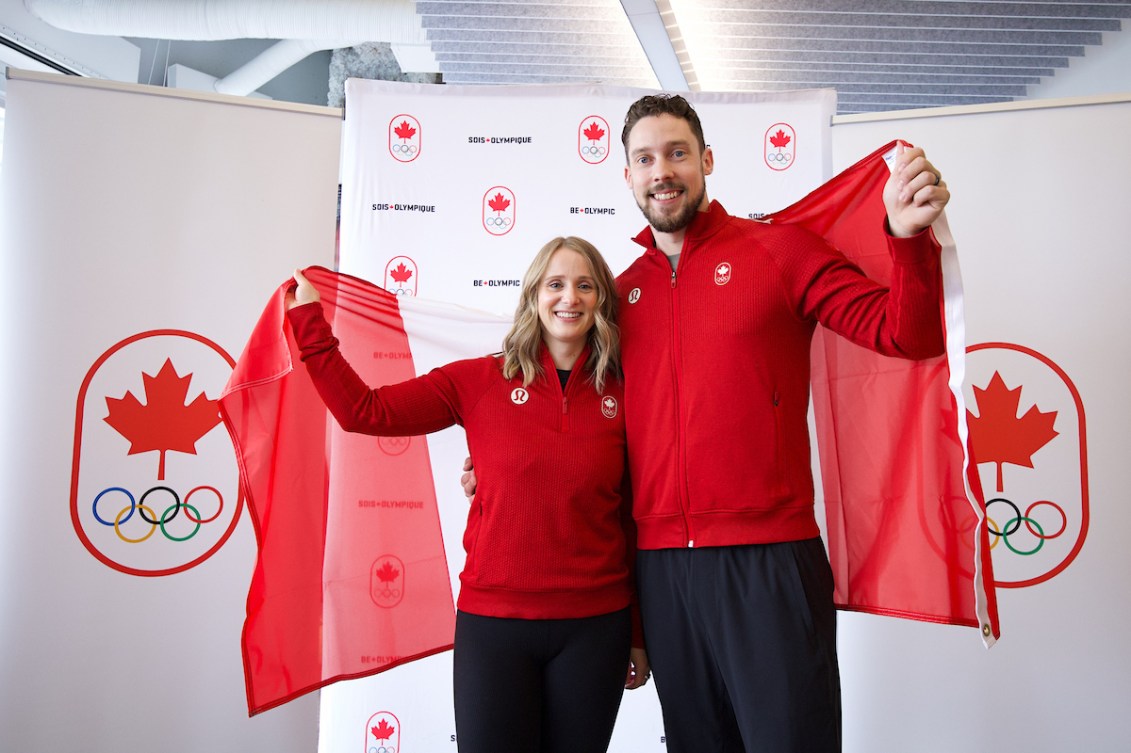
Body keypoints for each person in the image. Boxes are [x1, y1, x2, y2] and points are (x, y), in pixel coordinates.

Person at [465, 94, 951, 753]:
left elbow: (906, 336)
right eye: (644, 158)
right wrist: (503, 467)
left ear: (706, 161)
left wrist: (907, 238)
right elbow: (584, 422)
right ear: (627, 176)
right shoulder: (618, 294)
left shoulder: (780, 251)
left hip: (768, 558)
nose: (661, 170)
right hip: (662, 572)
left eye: (675, 153)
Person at [286, 236, 649, 753]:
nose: (570, 297)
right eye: (556, 284)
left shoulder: (628, 390)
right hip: (494, 629)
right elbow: (364, 411)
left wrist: (637, 629)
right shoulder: (479, 380)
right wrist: (310, 326)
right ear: (533, 296)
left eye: (585, 285)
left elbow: (633, 519)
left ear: (601, 301)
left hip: (596, 629)